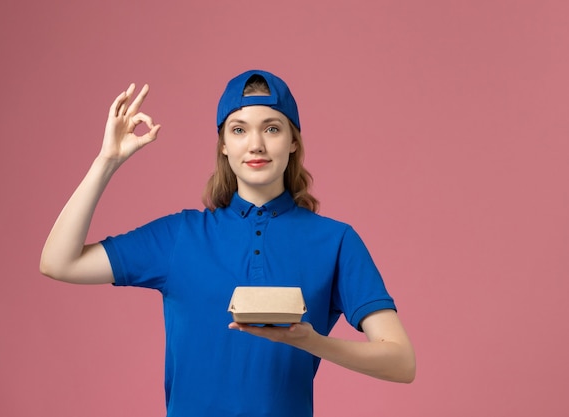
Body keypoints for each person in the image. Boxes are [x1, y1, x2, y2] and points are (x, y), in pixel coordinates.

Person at [40, 69, 415, 417]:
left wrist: (311, 342)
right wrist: (107, 161)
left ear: (293, 142)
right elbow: (59, 262)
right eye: (239, 130)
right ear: (222, 145)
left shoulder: (335, 241)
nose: (256, 144)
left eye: (271, 129)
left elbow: (401, 362)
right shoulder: (180, 236)